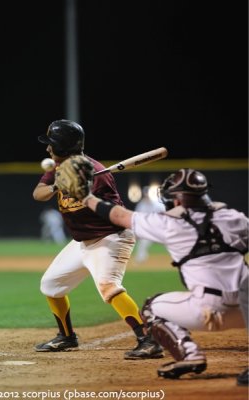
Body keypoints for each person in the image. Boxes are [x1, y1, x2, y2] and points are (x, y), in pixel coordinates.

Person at [76, 164, 248, 379]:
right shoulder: (234, 218)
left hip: (207, 311)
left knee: (151, 307)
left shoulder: (168, 223)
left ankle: (190, 355)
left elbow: (119, 216)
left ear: (177, 199)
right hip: (245, 310)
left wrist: (85, 197)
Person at [32, 119, 164, 360]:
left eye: (52, 144)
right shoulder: (58, 168)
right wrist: (57, 186)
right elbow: (38, 194)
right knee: (50, 285)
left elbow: (111, 212)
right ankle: (67, 337)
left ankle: (149, 340)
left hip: (110, 237)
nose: (48, 149)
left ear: (63, 146)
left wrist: (83, 191)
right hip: (82, 241)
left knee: (108, 287)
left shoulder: (95, 172)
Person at [134, 186, 165, 263]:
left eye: (147, 193)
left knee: (170, 241)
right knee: (143, 243)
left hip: (159, 228)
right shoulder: (141, 205)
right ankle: (140, 261)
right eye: (146, 193)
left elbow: (164, 213)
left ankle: (178, 258)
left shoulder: (157, 203)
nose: (147, 195)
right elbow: (137, 218)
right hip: (148, 229)